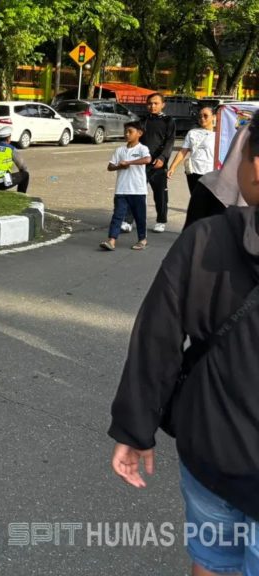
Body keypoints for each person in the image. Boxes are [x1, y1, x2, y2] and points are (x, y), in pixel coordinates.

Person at [108, 116, 259, 576]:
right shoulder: (208, 235)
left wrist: (136, 429)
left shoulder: (205, 239)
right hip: (213, 455)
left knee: (211, 563)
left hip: (213, 449)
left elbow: (158, 337)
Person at [100, 122, 152, 252]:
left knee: (140, 217)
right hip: (121, 189)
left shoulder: (142, 149)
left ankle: (142, 240)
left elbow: (147, 160)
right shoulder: (120, 150)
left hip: (138, 190)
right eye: (125, 131)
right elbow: (110, 166)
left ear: (139, 133)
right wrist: (120, 166)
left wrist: (129, 162)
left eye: (130, 131)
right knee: (117, 215)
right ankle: (111, 240)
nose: (126, 134)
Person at [168, 107, 218, 229]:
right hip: (193, 172)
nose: (202, 118)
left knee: (209, 202)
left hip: (211, 173)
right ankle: (196, 229)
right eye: (200, 115)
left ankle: (208, 229)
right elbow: (183, 151)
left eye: (205, 115)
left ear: (214, 117)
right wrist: (172, 167)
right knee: (196, 202)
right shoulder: (192, 133)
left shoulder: (220, 135)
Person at [139, 93, 176, 232]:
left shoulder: (168, 121)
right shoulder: (143, 120)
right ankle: (129, 220)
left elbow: (170, 141)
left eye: (155, 103)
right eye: (149, 103)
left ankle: (161, 220)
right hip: (142, 163)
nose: (152, 106)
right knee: (137, 193)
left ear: (163, 104)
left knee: (160, 194)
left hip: (159, 165)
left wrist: (162, 158)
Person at [0, 126, 30, 193]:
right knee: (25, 175)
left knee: (3, 176)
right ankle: (21, 195)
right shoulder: (10, 149)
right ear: (8, 139)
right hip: (1, 182)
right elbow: (23, 167)